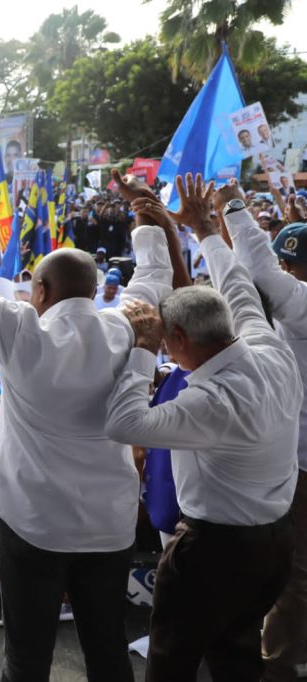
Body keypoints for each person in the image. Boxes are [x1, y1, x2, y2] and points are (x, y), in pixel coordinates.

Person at [0, 168, 174, 682]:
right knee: (107, 653)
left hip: (33, 526)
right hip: (106, 527)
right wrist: (144, 213)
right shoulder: (126, 327)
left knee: (26, 660)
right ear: (94, 291)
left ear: (41, 290)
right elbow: (155, 278)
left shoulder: (21, 332)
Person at [105, 173, 299, 682]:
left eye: (165, 342)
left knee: (172, 659)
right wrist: (205, 230)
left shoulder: (210, 401)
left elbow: (124, 422)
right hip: (274, 542)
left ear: (176, 338)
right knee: (235, 657)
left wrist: (141, 352)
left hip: (215, 552)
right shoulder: (270, 348)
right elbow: (237, 285)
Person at [216, 184, 307, 681]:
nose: (287, 272)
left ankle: (280, 665)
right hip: (290, 455)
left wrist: (232, 209)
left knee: (292, 571)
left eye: (294, 264)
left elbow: (263, 274)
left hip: (297, 464)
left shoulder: (303, 305)